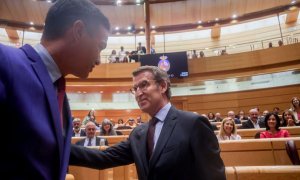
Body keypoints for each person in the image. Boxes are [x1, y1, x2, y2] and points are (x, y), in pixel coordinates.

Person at [0, 0, 110, 179]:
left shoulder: (58, 91)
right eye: (100, 46)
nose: (98, 60)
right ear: (78, 31)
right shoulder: (5, 61)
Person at [70, 66, 225, 180]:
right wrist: (57, 147)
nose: (138, 93)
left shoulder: (193, 124)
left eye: (144, 85)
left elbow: (214, 176)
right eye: (135, 88)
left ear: (163, 86)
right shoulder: (139, 134)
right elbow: (103, 158)